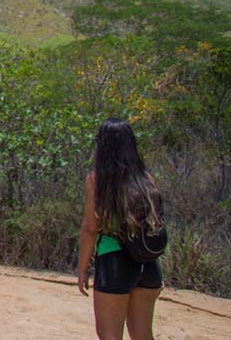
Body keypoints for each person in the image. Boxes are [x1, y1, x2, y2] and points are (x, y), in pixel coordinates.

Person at [77, 118, 164, 340]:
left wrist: (82, 269)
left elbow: (89, 228)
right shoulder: (146, 179)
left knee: (110, 335)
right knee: (143, 335)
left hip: (114, 262)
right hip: (148, 265)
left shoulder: (97, 180)